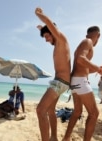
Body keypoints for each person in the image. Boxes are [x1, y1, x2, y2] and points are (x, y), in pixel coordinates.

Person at [62, 26, 102, 141]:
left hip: (75, 81)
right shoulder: (88, 42)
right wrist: (100, 70)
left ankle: (66, 138)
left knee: (77, 111)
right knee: (94, 114)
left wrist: (101, 67)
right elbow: (80, 59)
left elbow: (84, 67)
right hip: (80, 81)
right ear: (98, 35)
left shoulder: (84, 42)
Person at [35, 7, 71, 141]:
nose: (45, 40)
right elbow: (49, 28)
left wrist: (40, 14)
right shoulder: (58, 45)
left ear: (53, 32)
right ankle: (54, 137)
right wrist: (42, 29)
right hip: (60, 82)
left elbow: (50, 24)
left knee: (40, 110)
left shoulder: (61, 39)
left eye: (47, 36)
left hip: (60, 82)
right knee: (50, 110)